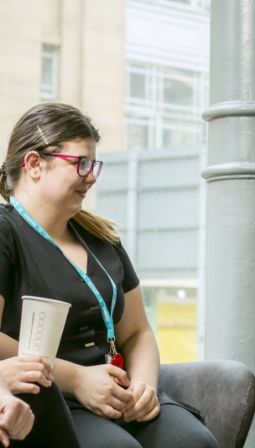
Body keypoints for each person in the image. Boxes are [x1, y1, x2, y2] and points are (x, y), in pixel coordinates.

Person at [0, 103, 219, 448]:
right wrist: (78, 379)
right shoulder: (5, 232)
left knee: (194, 442)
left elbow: (137, 331)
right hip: (54, 397)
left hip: (121, 392)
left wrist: (144, 386)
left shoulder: (102, 239)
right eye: (81, 164)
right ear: (34, 164)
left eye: (94, 164)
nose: (91, 176)